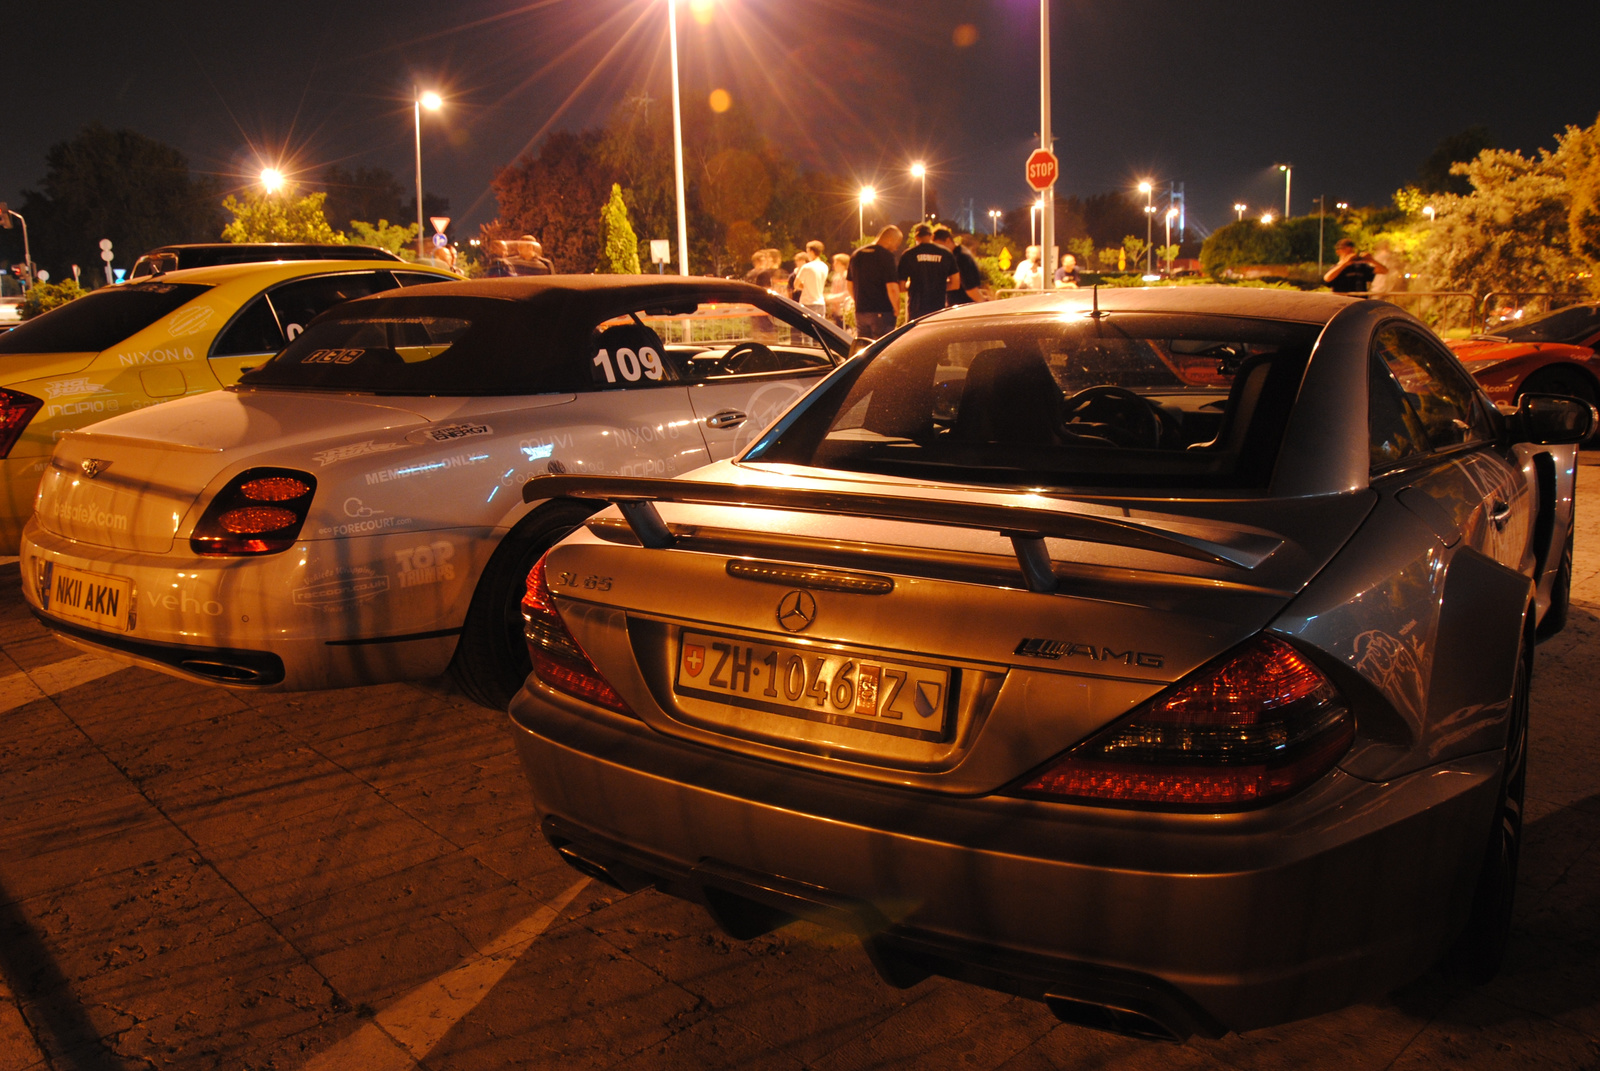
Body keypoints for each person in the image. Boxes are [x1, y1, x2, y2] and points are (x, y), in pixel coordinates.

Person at [847, 226, 903, 338]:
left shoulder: (856, 255)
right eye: (897, 244)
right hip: (882, 312)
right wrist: (897, 309)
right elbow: (892, 287)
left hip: (861, 312)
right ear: (890, 240)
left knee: (865, 348)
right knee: (882, 349)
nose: (896, 248)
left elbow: (849, 285)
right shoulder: (887, 257)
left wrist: (859, 301)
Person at [897, 222, 959, 322]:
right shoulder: (946, 254)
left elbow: (901, 286)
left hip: (916, 309)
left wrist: (914, 286)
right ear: (930, 236)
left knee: (916, 336)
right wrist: (939, 286)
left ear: (916, 237)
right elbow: (955, 283)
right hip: (939, 308)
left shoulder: (908, 255)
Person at [936, 228, 989, 306]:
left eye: (939, 246)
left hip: (963, 307)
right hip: (962, 305)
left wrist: (982, 303)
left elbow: (970, 288)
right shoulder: (961, 252)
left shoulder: (960, 258)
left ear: (947, 240)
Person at [794, 241, 830, 318]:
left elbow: (795, 284)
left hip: (807, 303)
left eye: (807, 252)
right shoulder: (825, 267)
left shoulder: (806, 267)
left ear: (811, 252)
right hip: (821, 303)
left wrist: (805, 287)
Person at [826, 252, 852, 328]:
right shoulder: (836, 276)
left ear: (843, 264)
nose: (834, 265)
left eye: (836, 263)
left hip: (845, 310)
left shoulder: (847, 276)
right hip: (837, 311)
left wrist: (830, 298)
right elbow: (833, 291)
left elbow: (847, 293)